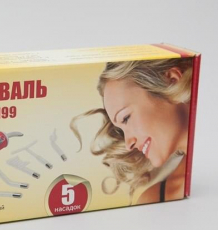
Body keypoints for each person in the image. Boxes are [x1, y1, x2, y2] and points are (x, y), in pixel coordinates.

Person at [70, 58, 193, 204]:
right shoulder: (154, 198)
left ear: (172, 81)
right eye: (121, 130)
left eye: (126, 118)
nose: (129, 144)